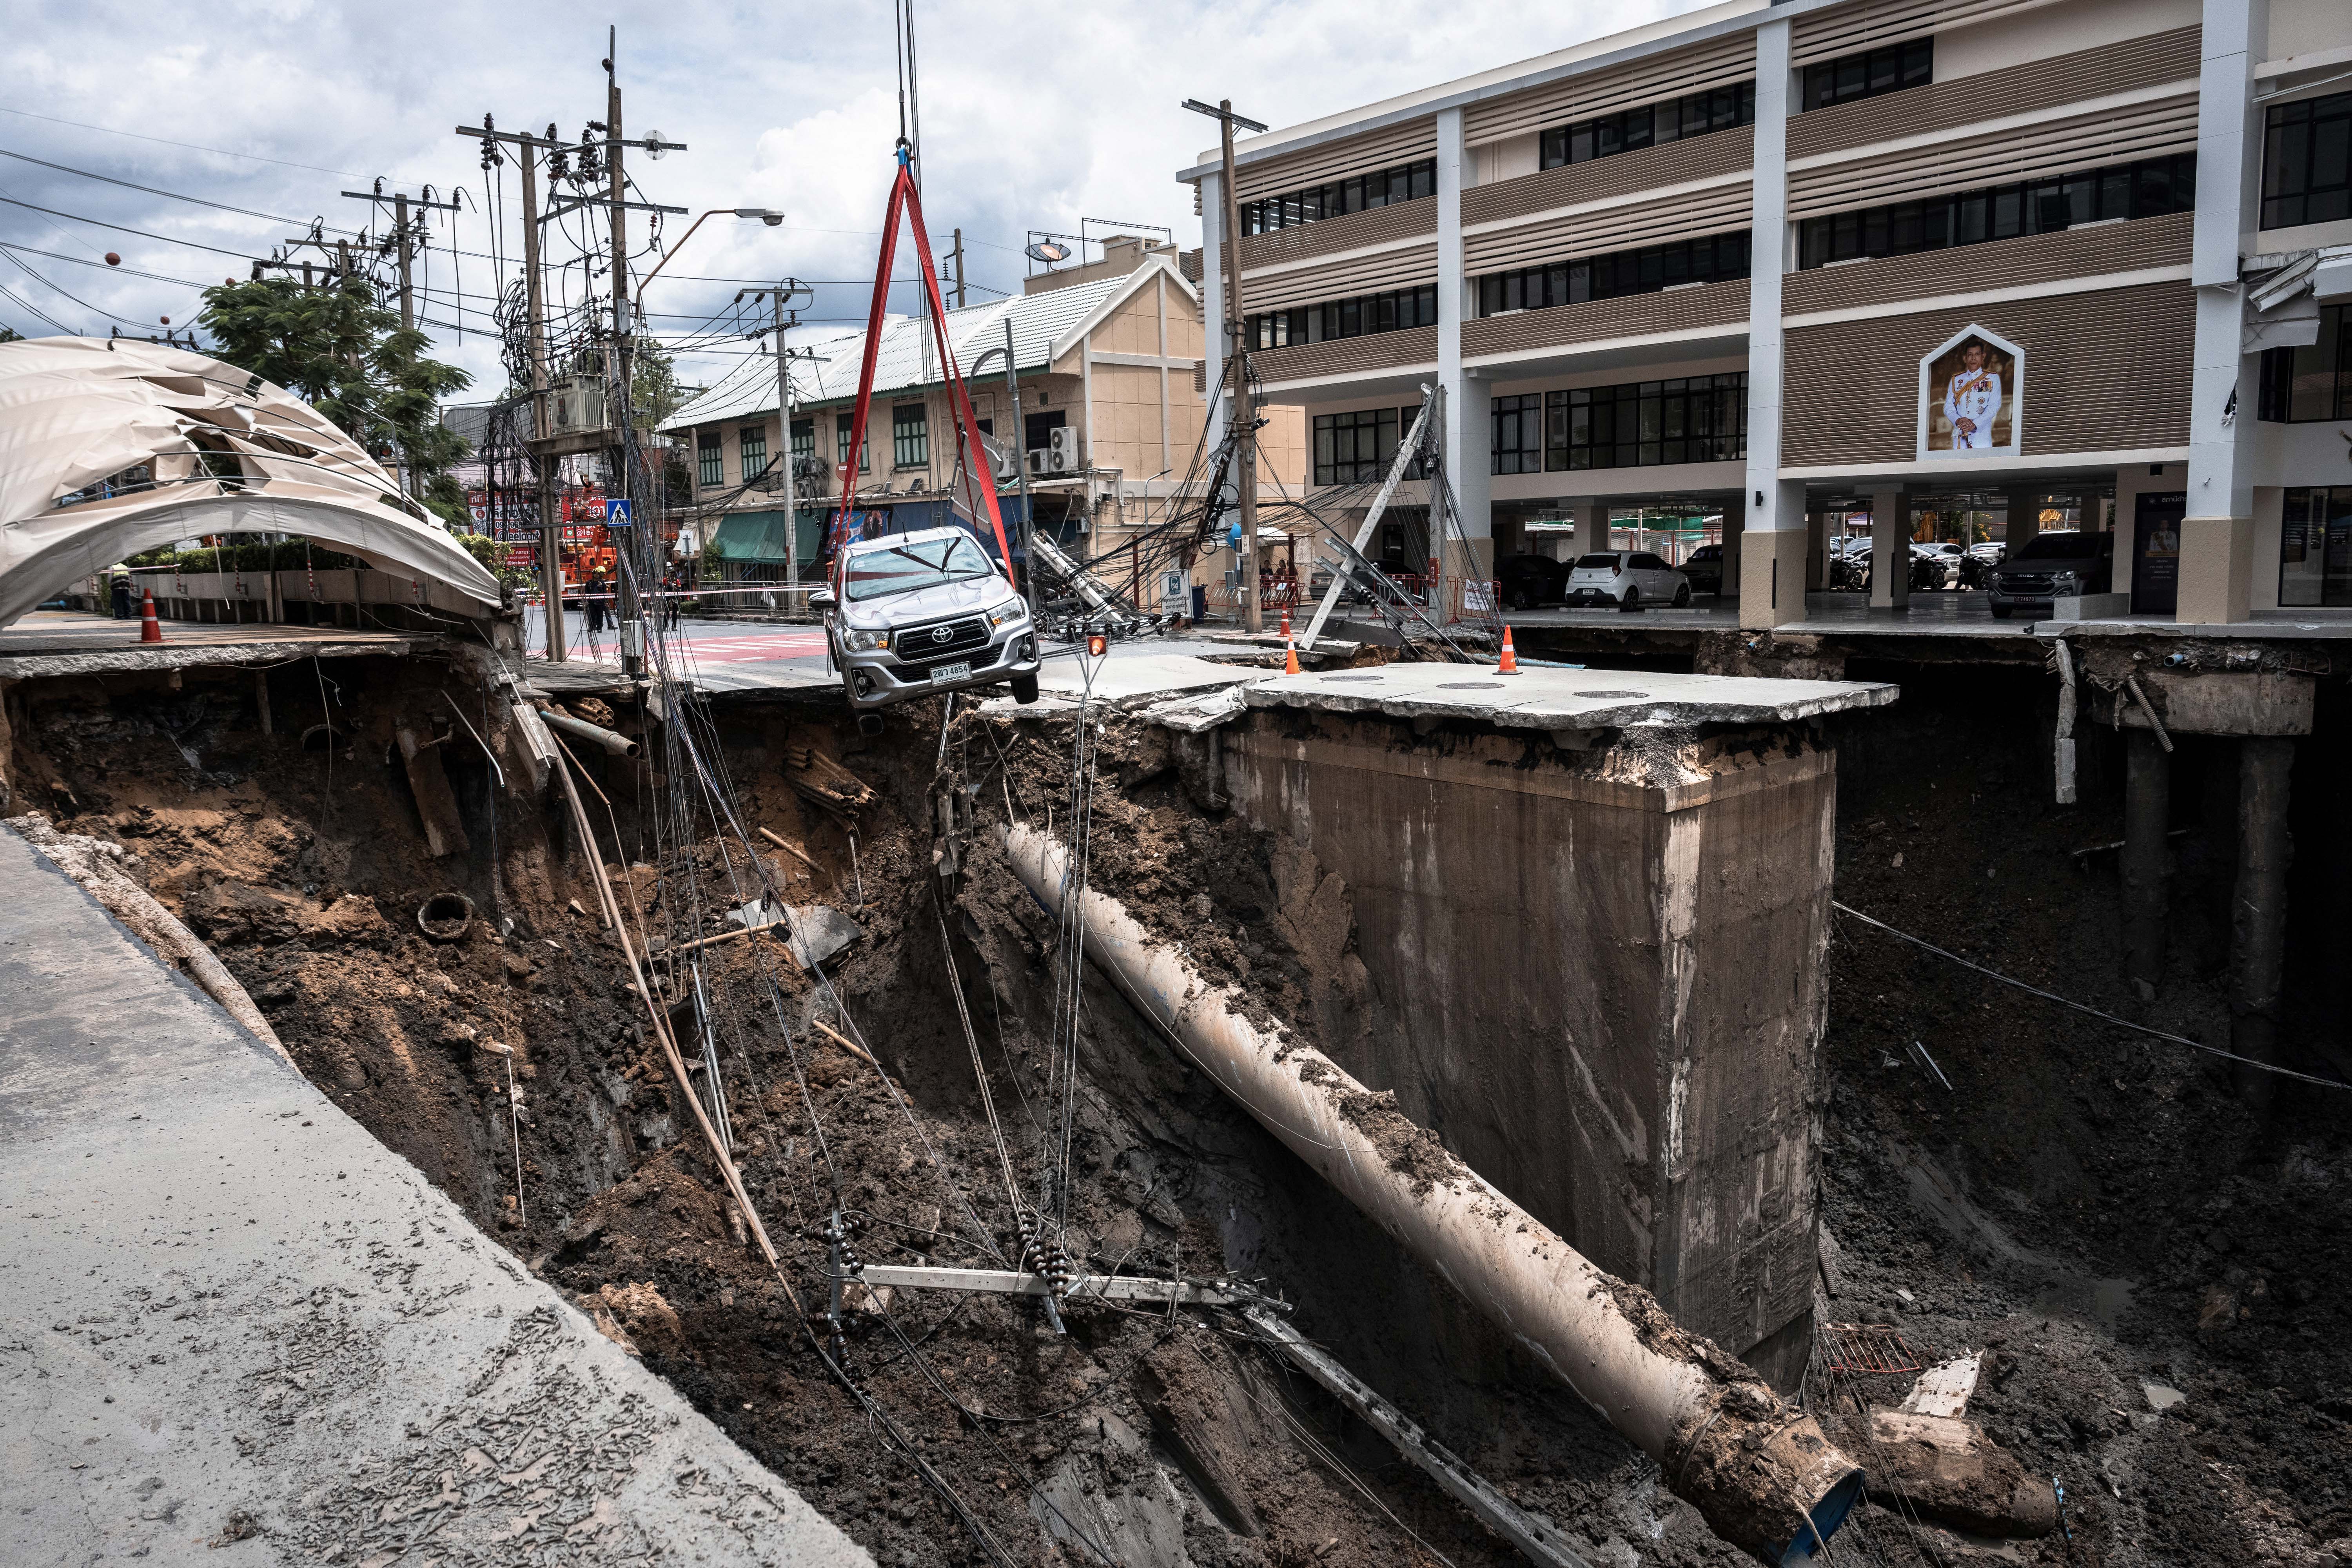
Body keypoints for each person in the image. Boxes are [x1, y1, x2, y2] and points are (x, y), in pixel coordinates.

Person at [1942, 341, 2003, 450]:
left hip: (1981, 436)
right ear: (1965, 358)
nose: (1973, 358)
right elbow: (1948, 406)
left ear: (1983, 357)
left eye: (1977, 354)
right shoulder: (1956, 380)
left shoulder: (1992, 379)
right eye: (1970, 355)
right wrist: (1958, 420)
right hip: (1960, 437)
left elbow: (1994, 406)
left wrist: (1975, 424)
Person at [584, 570, 608, 636]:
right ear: (593, 575)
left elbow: (605, 593)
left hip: (600, 602)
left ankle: (600, 628)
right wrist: (586, 602)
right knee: (591, 615)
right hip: (592, 602)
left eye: (598, 574)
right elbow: (586, 593)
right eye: (595, 574)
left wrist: (606, 602)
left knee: (600, 616)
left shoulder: (602, 583)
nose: (597, 575)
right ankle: (591, 627)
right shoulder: (589, 583)